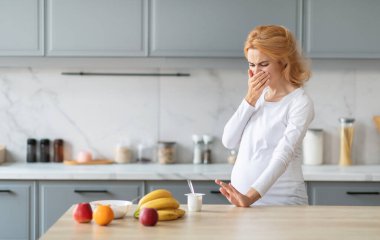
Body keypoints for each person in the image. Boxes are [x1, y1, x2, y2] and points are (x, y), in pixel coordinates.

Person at [215, 25, 314, 207]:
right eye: (252, 65)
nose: (257, 72)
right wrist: (250, 98)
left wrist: (250, 197)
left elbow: (282, 156)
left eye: (264, 64)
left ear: (283, 62)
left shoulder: (299, 102)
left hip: (282, 205)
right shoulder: (257, 96)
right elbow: (228, 141)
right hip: (245, 205)